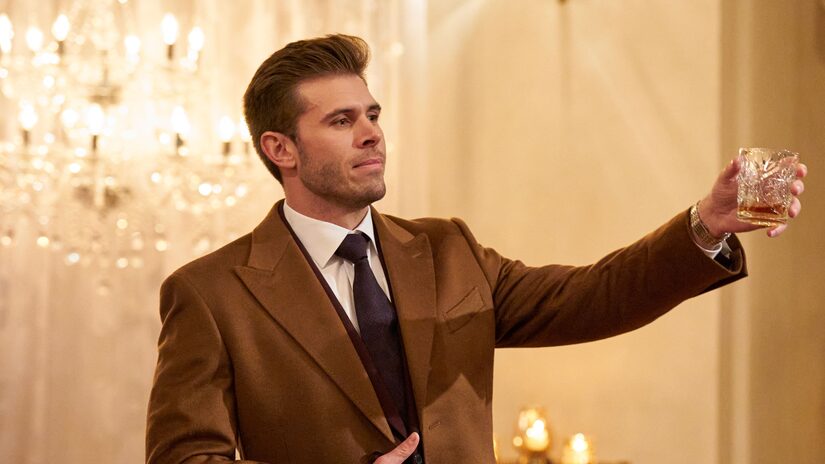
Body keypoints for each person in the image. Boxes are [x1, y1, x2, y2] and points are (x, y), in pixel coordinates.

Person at [145, 34, 807, 464]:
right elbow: (183, 458)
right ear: (280, 149)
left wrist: (705, 224)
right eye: (341, 121)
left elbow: (595, 296)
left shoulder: (445, 250)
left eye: (372, 115)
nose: (371, 134)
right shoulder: (210, 293)